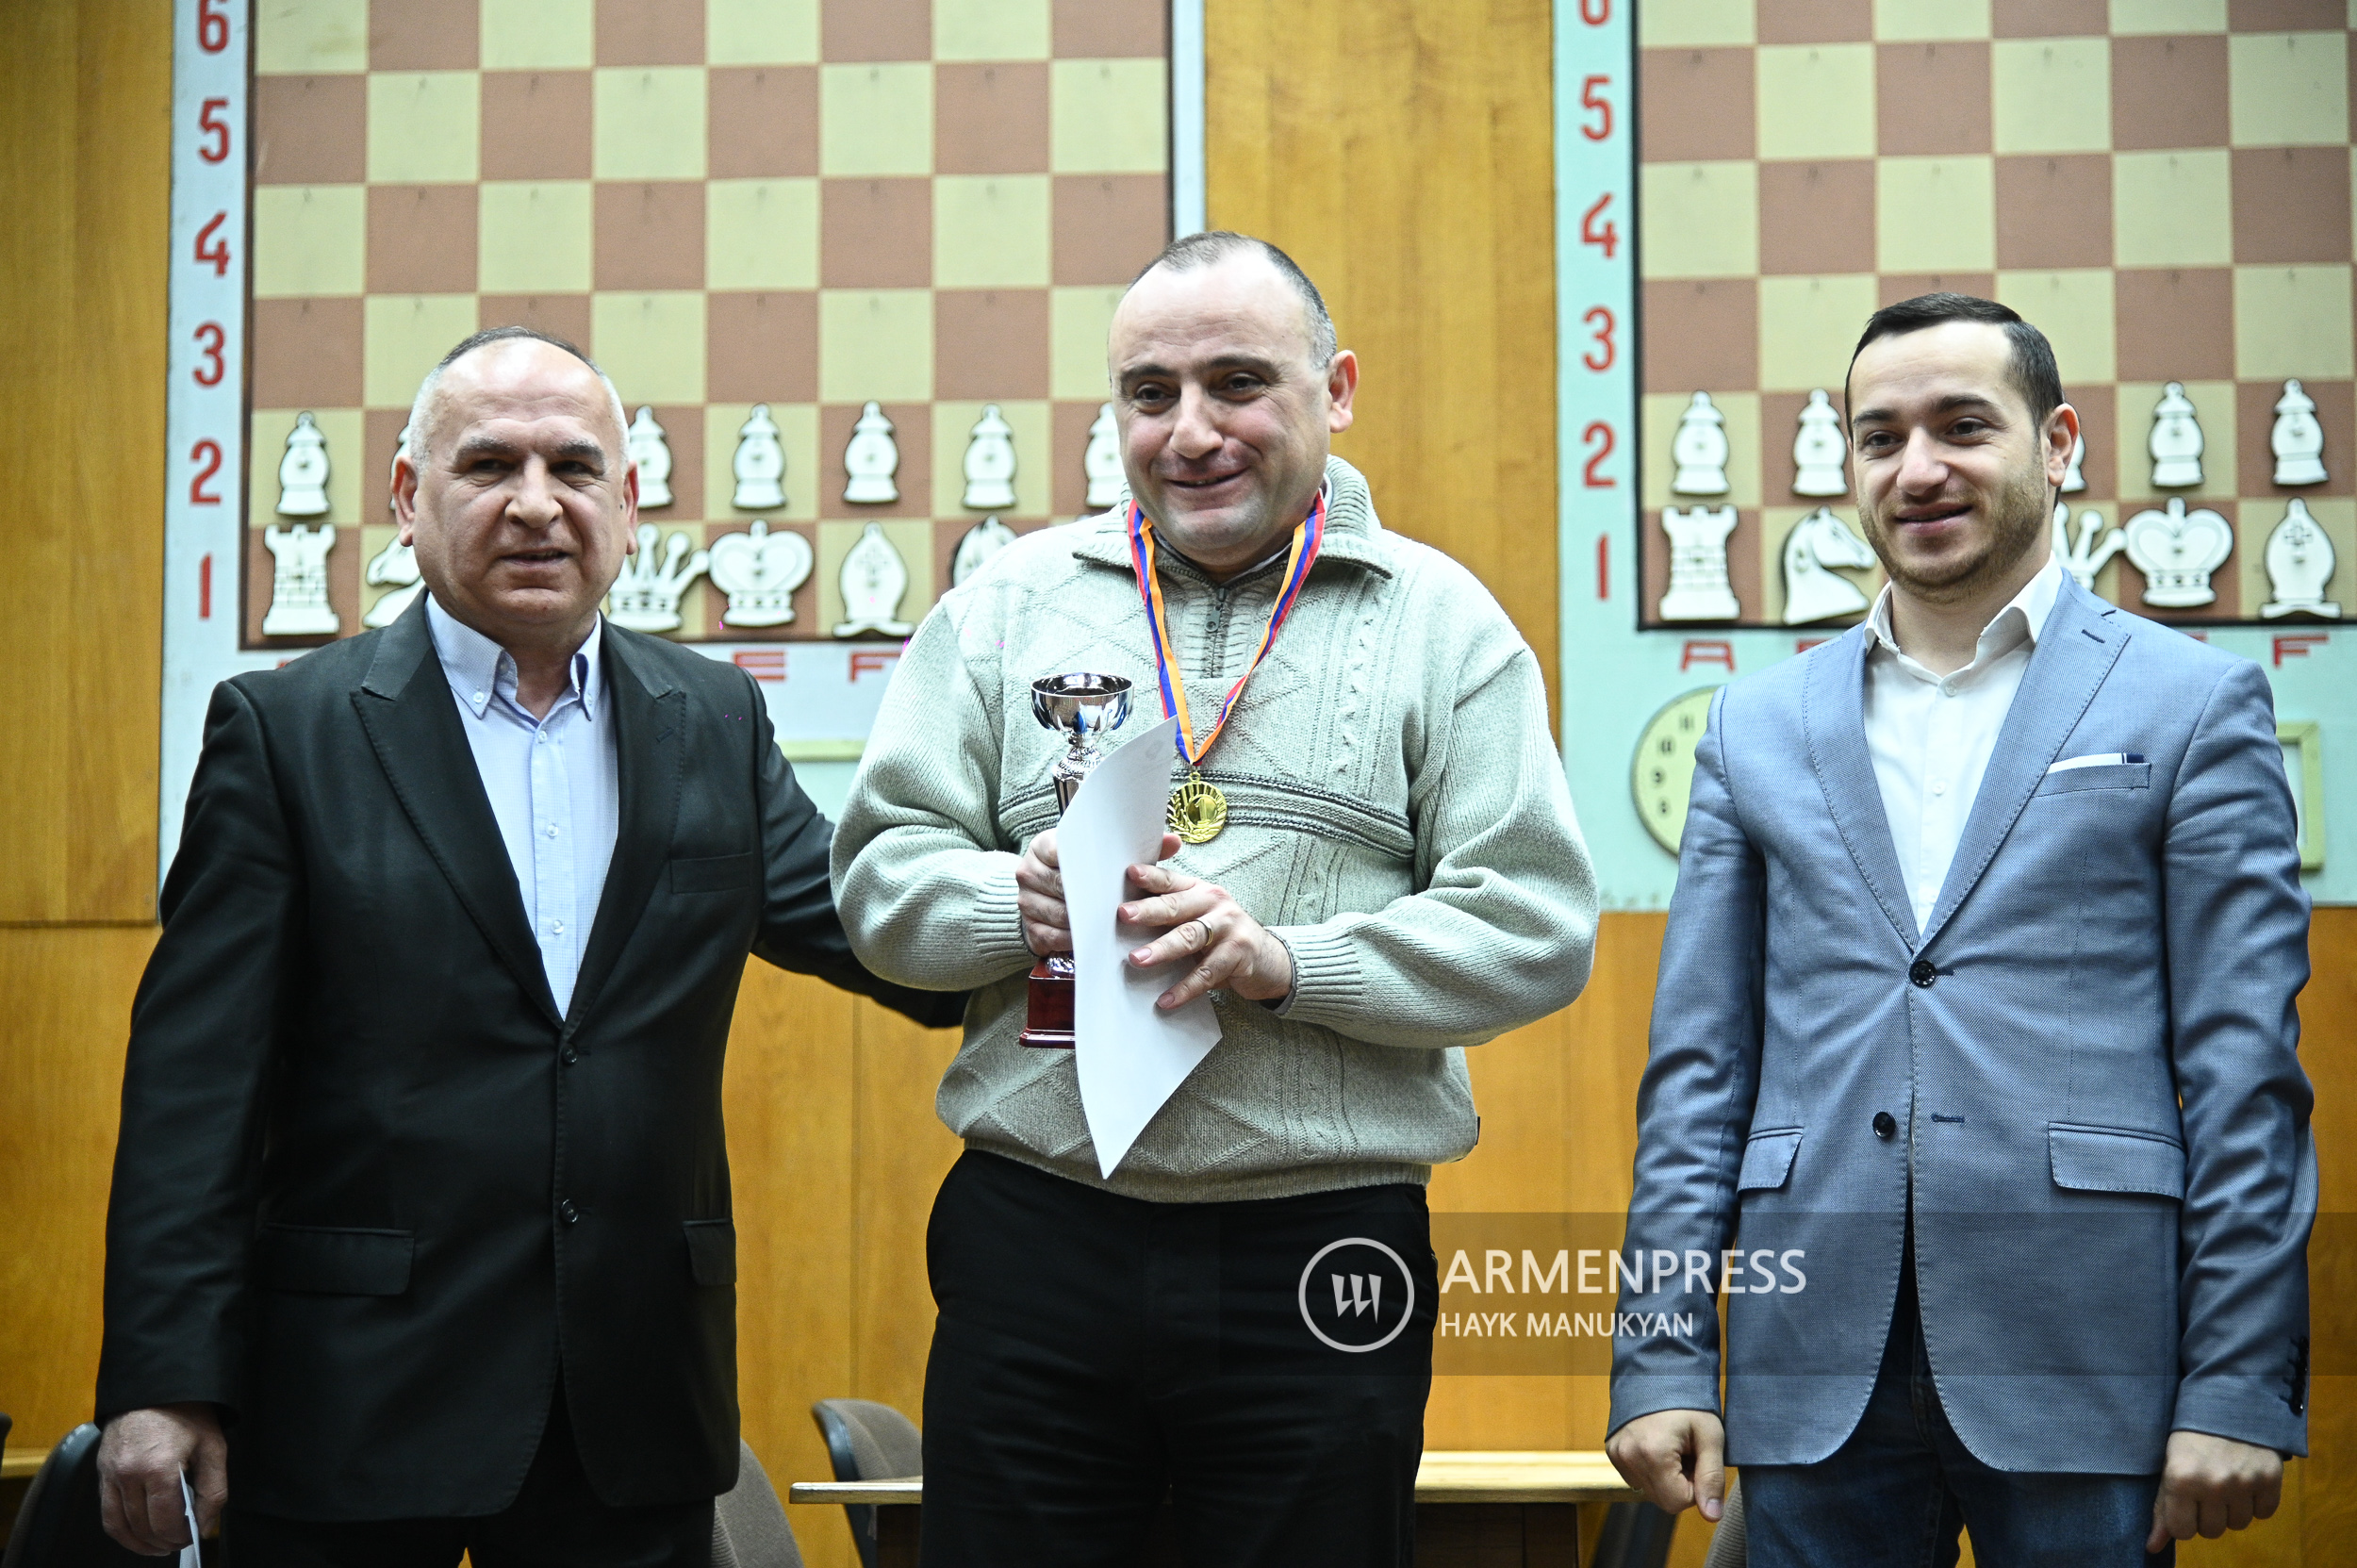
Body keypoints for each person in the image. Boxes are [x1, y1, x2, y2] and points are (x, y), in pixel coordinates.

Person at [95, 327, 961, 1563]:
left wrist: (1059, 915)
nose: (538, 504)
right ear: (409, 497)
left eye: (574, 466)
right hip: (352, 1405)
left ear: (631, 504)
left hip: (630, 1409)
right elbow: (195, 1088)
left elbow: (875, 931)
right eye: (490, 465)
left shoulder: (714, 720)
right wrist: (163, 1378)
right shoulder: (287, 734)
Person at [830, 231, 1597, 1565]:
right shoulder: (1003, 610)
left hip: (1322, 1245)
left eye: (1239, 383)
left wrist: (1290, 963)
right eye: (1151, 394)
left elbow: (1534, 924)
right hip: (1039, 1231)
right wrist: (1012, 903)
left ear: (1336, 390)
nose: (1191, 433)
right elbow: (880, 879)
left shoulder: (1446, 627)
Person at [1606, 294, 2313, 1563]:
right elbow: (1698, 1076)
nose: (1917, 468)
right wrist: (1660, 1354)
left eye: (1963, 427)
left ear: (2058, 443)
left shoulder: (2194, 705)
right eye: (1880, 438)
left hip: (2088, 1362)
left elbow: (2244, 1077)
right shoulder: (1751, 727)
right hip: (1811, 1363)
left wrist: (2238, 1381)